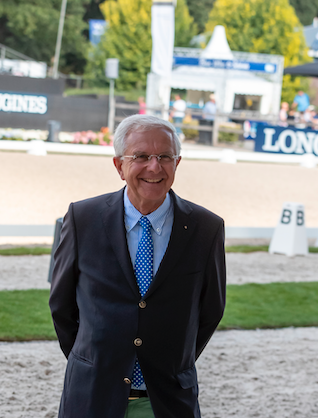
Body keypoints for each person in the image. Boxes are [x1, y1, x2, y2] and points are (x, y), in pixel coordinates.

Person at [50, 114, 226, 418]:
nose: (154, 167)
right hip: (92, 396)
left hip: (168, 400)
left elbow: (211, 311)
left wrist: (171, 362)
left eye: (165, 157)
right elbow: (62, 307)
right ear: (119, 166)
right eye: (141, 156)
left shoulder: (205, 228)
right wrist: (94, 363)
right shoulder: (82, 219)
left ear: (177, 163)